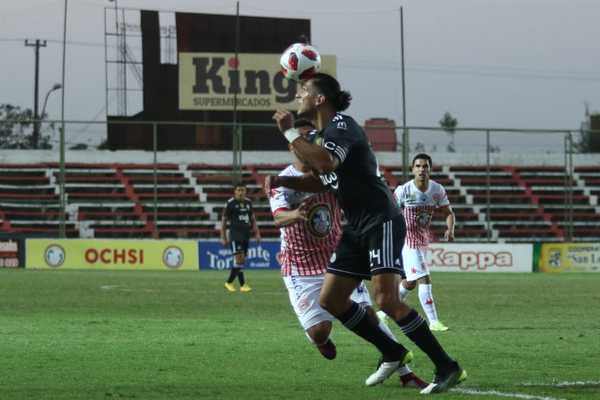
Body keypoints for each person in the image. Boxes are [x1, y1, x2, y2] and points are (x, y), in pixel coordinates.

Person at [268, 73, 465, 394]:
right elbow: (322, 180)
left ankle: (446, 365)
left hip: (380, 220)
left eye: (303, 91)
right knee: (331, 299)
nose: (298, 96)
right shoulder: (321, 136)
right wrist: (284, 182)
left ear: (320, 99)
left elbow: (327, 164)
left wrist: (289, 131)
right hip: (357, 226)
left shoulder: (342, 126)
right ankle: (392, 351)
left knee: (386, 299)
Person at [268, 118, 426, 388]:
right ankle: (320, 340)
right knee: (320, 331)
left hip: (334, 256)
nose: (306, 142)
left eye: (311, 137)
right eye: (300, 138)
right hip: (300, 264)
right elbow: (278, 216)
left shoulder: (331, 172)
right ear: (293, 145)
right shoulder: (284, 180)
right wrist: (296, 213)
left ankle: (406, 373)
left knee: (370, 315)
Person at [378, 153, 454, 332]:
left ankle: (382, 313)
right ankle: (434, 322)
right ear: (412, 169)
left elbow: (448, 212)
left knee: (409, 282)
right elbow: (390, 213)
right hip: (407, 239)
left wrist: (450, 229)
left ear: (430, 169)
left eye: (425, 166)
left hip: (422, 239)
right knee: (424, 277)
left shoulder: (437, 189)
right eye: (418, 166)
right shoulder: (404, 190)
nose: (422, 169)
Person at [220, 183, 261, 292]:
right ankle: (229, 282)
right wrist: (223, 237)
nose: (241, 192)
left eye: (243, 190)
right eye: (238, 190)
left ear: (245, 191)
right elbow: (224, 221)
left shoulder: (248, 202)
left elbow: (252, 219)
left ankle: (242, 285)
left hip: (246, 234)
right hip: (235, 234)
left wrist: (257, 233)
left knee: (241, 261)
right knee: (239, 259)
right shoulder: (230, 203)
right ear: (235, 191)